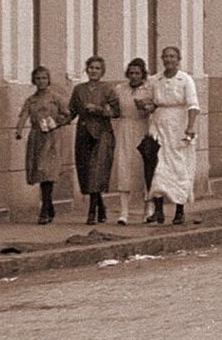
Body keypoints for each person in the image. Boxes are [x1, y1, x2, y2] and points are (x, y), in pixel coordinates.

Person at [147, 45, 200, 226]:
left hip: (178, 126)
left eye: (172, 56)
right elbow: (151, 103)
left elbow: (193, 105)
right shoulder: (155, 80)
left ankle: (179, 210)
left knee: (178, 168)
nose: (169, 60)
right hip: (159, 125)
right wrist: (146, 107)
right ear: (162, 59)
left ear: (178, 59)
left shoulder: (185, 80)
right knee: (158, 166)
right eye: (166, 56)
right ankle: (159, 210)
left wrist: (190, 126)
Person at [67, 56, 120, 226]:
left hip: (102, 133)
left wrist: (98, 109)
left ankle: (92, 211)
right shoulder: (78, 89)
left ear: (102, 71)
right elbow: (72, 111)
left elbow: (116, 111)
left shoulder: (108, 89)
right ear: (86, 70)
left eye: (97, 68)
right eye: (91, 68)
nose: (93, 71)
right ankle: (100, 205)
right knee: (85, 170)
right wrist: (60, 118)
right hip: (83, 132)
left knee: (97, 170)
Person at [15, 66, 70, 224]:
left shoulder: (56, 98)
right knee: (40, 171)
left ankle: (44, 210)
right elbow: (23, 115)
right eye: (38, 78)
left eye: (44, 78)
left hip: (52, 138)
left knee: (48, 172)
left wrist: (57, 122)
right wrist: (18, 130)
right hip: (37, 137)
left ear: (48, 80)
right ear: (34, 81)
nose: (41, 81)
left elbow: (68, 114)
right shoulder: (31, 100)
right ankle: (49, 205)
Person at [119, 56, 157, 225]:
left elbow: (154, 108)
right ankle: (124, 211)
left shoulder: (149, 89)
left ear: (143, 74)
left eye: (137, 73)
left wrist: (148, 107)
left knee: (144, 169)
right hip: (125, 129)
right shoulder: (120, 89)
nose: (134, 76)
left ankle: (148, 209)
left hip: (143, 129)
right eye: (131, 72)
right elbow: (115, 108)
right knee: (124, 167)